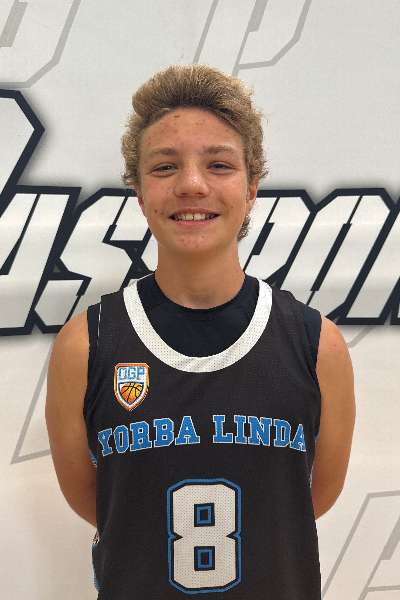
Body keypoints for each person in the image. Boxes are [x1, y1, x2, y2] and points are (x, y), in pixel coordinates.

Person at [46, 64, 355, 599]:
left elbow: (310, 497)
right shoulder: (85, 346)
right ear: (139, 192)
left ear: (251, 188)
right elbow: (101, 501)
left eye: (219, 164)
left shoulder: (317, 345)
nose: (192, 184)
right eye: (165, 166)